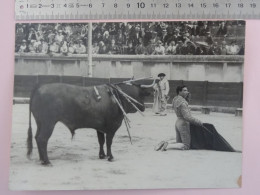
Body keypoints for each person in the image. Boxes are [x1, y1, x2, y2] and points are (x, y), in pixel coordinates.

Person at [155, 85, 203, 151]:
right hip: (183, 123)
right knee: (186, 145)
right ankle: (167, 146)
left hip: (177, 122)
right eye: (184, 90)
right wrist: (198, 122)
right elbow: (187, 117)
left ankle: (165, 143)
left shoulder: (175, 99)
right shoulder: (183, 103)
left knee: (179, 142)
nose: (187, 92)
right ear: (179, 92)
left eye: (187, 90)